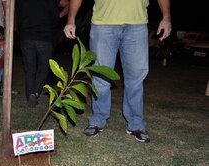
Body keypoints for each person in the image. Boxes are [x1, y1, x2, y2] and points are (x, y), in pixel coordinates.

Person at [64, 0, 171, 143]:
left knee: (136, 77)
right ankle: (98, 119)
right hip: (103, 24)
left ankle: (136, 123)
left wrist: (166, 17)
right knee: (100, 76)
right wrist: (71, 20)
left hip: (137, 24)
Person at [16, 0, 64, 107]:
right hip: (44, 37)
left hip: (26, 37)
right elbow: (55, 18)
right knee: (44, 68)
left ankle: (30, 96)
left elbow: (18, 18)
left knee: (29, 69)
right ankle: (35, 92)